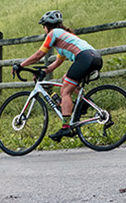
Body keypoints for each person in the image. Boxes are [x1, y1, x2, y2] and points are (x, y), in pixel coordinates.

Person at [18, 10, 102, 142]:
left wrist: (21, 65)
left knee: (65, 90)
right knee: (66, 80)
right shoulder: (64, 38)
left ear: (48, 26)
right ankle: (83, 104)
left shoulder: (53, 34)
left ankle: (66, 127)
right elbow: (57, 62)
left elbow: (39, 54)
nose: (44, 30)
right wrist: (44, 71)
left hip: (85, 57)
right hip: (94, 57)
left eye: (43, 27)